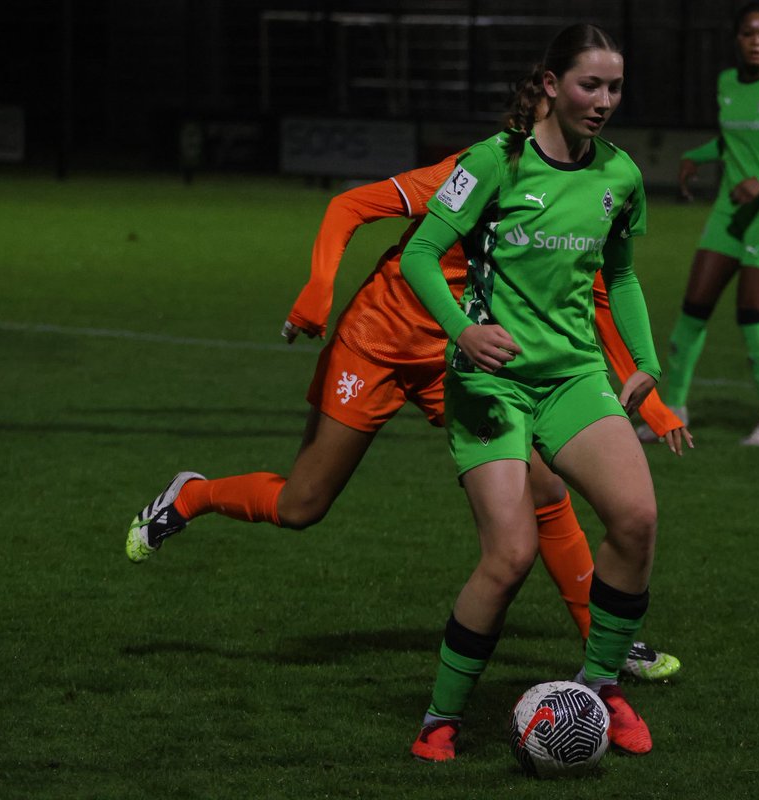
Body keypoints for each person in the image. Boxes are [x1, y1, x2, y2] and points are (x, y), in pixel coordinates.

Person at [123, 151, 689, 680]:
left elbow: (599, 291)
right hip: (375, 344)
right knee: (302, 505)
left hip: (461, 358)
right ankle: (191, 496)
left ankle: (608, 646)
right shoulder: (476, 169)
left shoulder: (570, 196)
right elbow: (348, 206)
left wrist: (653, 399)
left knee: (543, 490)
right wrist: (319, 290)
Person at [398, 23, 672, 762]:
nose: (605, 101)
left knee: (637, 519)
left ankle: (603, 685)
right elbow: (420, 254)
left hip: (574, 376)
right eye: (591, 84)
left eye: (615, 87)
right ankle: (440, 720)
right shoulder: (496, 161)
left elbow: (621, 274)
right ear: (550, 84)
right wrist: (462, 331)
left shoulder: (619, 175)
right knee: (511, 555)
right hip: (492, 384)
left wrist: (642, 363)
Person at [643, 2, 759, 447]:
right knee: (692, 310)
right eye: (748, 34)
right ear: (737, 39)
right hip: (728, 210)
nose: (756, 41)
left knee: (752, 315)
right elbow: (731, 141)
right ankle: (672, 411)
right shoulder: (725, 83)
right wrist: (695, 157)